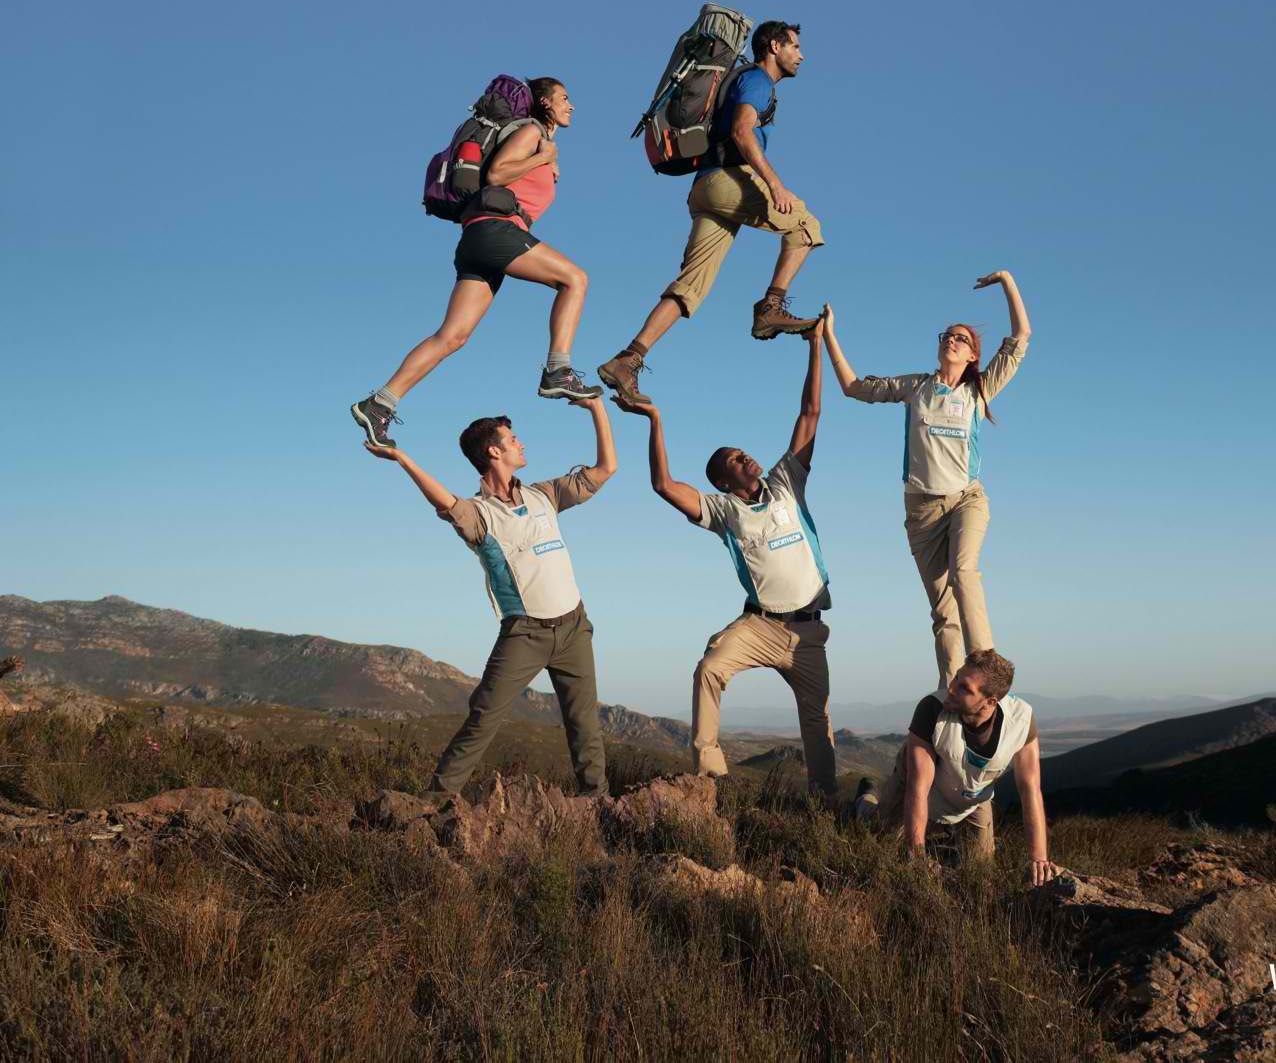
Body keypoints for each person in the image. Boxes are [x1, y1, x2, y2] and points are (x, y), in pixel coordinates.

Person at [612, 320, 836, 797]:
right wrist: (655, 419)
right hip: (759, 627)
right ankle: (712, 781)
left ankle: (825, 802)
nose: (746, 457)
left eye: (743, 452)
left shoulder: (785, 483)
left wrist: (815, 344)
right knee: (710, 668)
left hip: (808, 631)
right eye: (735, 459)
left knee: (817, 721)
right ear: (722, 480)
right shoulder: (722, 510)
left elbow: (810, 413)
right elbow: (663, 485)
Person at [364, 395, 618, 796]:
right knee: (484, 716)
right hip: (525, 635)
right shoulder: (478, 514)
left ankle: (596, 800)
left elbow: (606, 469)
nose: (522, 444)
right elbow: (445, 502)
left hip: (573, 627)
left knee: (584, 722)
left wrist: (596, 409)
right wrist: (402, 459)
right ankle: (436, 800)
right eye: (513, 439)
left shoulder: (545, 495)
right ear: (494, 451)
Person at [352, 77, 600, 448]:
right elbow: (498, 173)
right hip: (495, 231)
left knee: (453, 336)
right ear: (545, 103)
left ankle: (379, 403)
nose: (572, 105)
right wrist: (542, 157)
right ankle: (558, 370)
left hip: (477, 239)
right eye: (564, 98)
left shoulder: (540, 141)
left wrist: (547, 161)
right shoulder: (531, 131)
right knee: (575, 280)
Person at [597, 22, 824, 410]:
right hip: (728, 180)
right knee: (805, 226)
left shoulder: (745, 80)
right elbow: (742, 131)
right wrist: (774, 185)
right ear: (774, 46)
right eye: (796, 47)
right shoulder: (757, 80)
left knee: (691, 286)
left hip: (706, 188)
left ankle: (628, 358)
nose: (802, 55)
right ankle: (770, 307)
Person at [821, 271, 1032, 689]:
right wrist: (829, 334)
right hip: (921, 510)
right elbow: (852, 387)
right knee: (942, 610)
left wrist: (1007, 281)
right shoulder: (916, 387)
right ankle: (954, 690)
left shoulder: (979, 391)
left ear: (973, 355)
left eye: (961, 338)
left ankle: (985, 664)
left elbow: (1021, 336)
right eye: (946, 336)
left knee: (964, 571)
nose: (950, 340)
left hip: (966, 500)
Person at [854, 648, 1056, 885]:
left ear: (990, 701)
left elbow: (1030, 789)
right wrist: (917, 854)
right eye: (957, 677)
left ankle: (942, 837)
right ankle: (865, 799)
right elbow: (918, 787)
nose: (952, 687)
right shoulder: (931, 710)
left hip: (974, 797)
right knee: (877, 837)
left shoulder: (1021, 721)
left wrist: (1038, 857)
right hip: (927, 787)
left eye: (964, 688)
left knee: (980, 874)